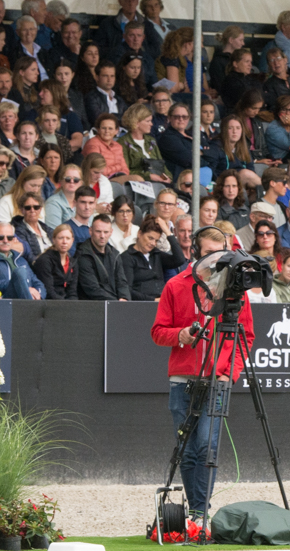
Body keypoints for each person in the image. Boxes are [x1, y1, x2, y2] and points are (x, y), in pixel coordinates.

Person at [150, 224, 255, 517]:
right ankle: (198, 513)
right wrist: (180, 335)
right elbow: (157, 332)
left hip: (217, 380)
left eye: (220, 253)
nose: (215, 259)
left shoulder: (236, 290)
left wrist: (229, 373)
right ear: (195, 251)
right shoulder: (175, 285)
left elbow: (246, 336)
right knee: (186, 449)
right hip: (182, 378)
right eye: (209, 252)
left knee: (207, 447)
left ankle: (199, 513)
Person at [120, 219, 186, 300]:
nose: (153, 243)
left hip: (162, 301)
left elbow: (180, 259)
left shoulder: (156, 254)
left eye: (156, 240)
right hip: (142, 304)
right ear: (139, 233)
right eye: (150, 238)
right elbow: (127, 290)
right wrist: (153, 300)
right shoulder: (127, 257)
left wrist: (167, 232)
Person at [69, 213, 129, 300]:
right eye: (98, 231)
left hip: (114, 302)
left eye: (106, 232)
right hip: (93, 305)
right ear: (90, 231)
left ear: (111, 232)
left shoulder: (115, 254)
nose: (102, 236)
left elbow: (122, 282)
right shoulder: (83, 255)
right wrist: (116, 303)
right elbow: (92, 289)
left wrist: (124, 298)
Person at [32, 223, 76, 298]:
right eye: (61, 238)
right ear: (53, 240)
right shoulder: (44, 260)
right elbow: (49, 291)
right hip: (49, 302)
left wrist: (72, 303)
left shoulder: (72, 262)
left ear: (72, 240)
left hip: (66, 302)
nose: (64, 242)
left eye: (68, 238)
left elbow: (72, 292)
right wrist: (65, 304)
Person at [0, 221, 41, 299]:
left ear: (13, 240)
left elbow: (37, 282)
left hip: (24, 299)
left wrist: (38, 293)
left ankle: (30, 304)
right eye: (1, 238)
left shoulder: (21, 260)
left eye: (9, 238)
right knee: (20, 272)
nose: (5, 241)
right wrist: (24, 286)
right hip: (5, 299)